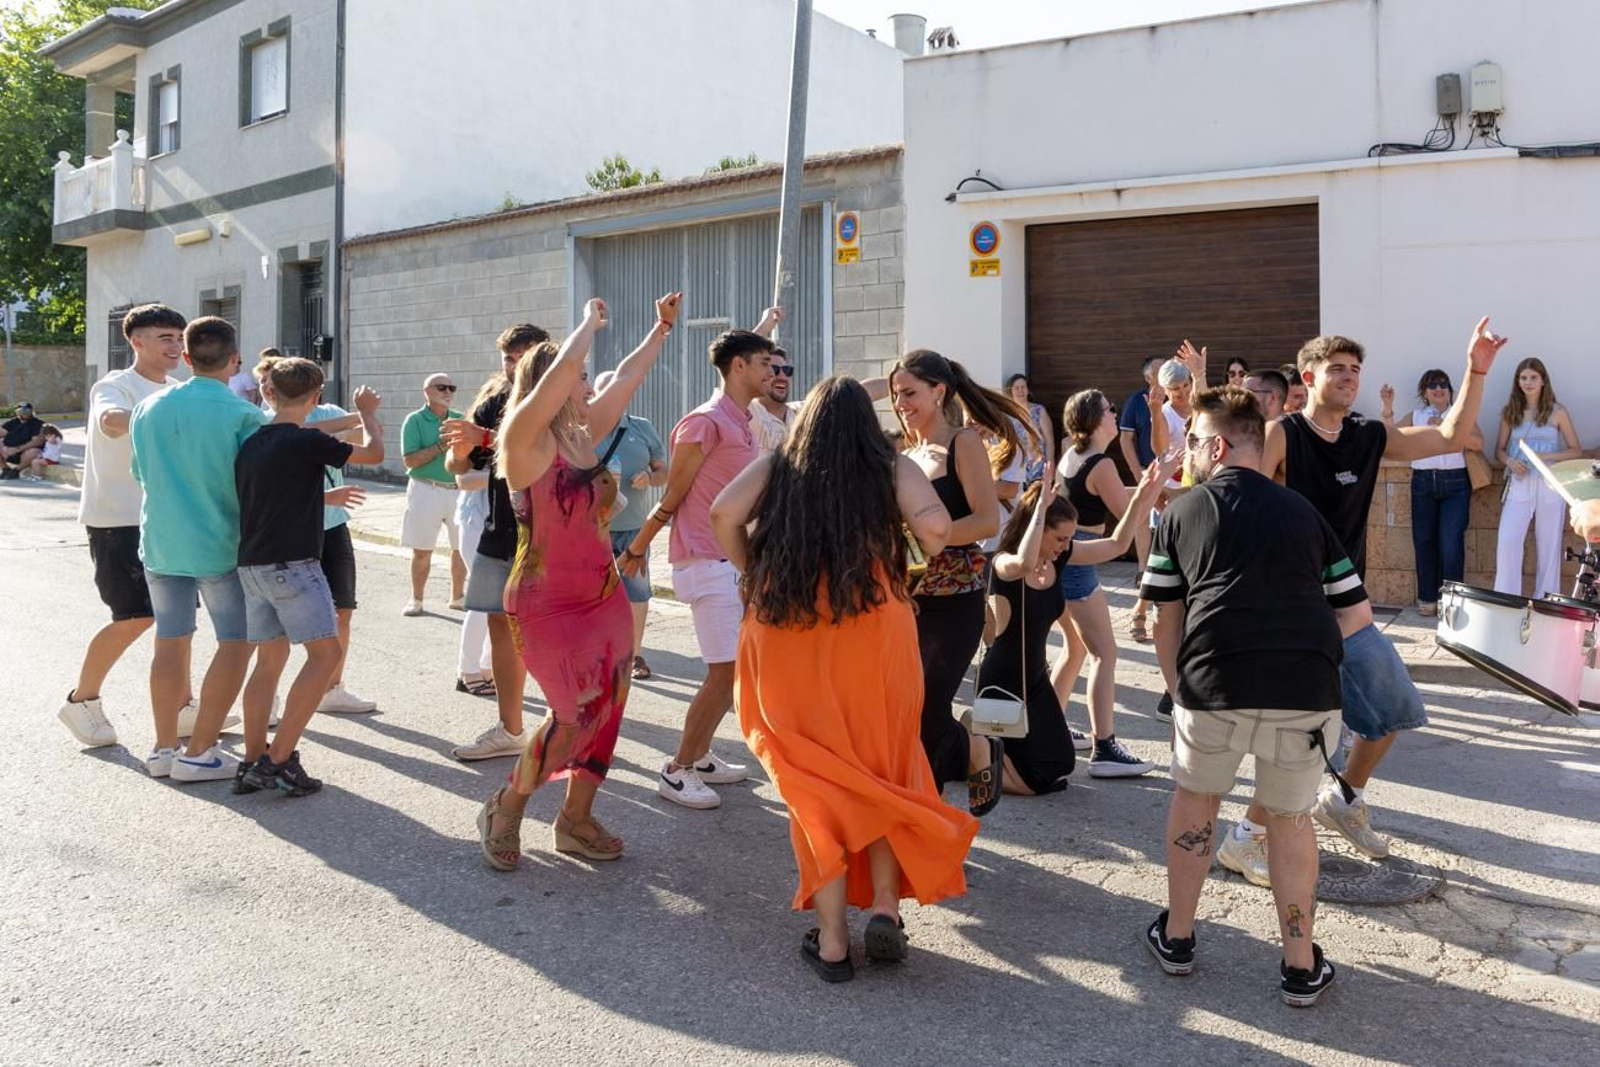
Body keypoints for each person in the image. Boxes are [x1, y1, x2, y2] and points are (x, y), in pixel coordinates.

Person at [708, 375, 978, 983]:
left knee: (811, 779)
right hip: (874, 624)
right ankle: (884, 905)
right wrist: (905, 558)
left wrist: (753, 570)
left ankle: (833, 941)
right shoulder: (891, 466)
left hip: (787, 623)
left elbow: (723, 512)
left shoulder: (783, 465)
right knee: (878, 765)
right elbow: (936, 530)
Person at [1231, 319, 1506, 873]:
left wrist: (1476, 371)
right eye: (1337, 369)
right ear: (1309, 377)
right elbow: (1243, 499)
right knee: (1309, 740)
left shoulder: (1367, 436)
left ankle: (1345, 799)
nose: (1349, 377)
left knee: (1393, 711)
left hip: (1349, 606)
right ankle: (1245, 837)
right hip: (1295, 607)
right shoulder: (1283, 434)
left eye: (1355, 369)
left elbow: (1451, 438)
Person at [1142, 385, 1370, 1008]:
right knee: (1292, 819)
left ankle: (1180, 938)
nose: (1186, 453)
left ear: (1216, 445)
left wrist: (1177, 694)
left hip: (1212, 682)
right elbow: (1357, 614)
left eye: (1191, 441)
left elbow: (1167, 619)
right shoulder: (1303, 512)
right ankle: (1300, 966)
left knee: (1197, 799)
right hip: (1305, 688)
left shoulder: (1182, 513)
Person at [475, 292, 679, 871]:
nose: (588, 383)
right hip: (546, 602)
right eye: (580, 375)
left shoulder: (581, 433)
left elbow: (630, 380)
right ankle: (506, 808)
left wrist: (659, 330)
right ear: (551, 381)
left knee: (607, 707)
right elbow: (559, 373)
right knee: (569, 715)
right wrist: (587, 323)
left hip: (603, 594)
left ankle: (575, 819)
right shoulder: (522, 437)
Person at [619, 328, 773, 811]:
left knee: (734, 673)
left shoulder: (742, 421)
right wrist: (639, 546)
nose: (774, 371)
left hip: (732, 560)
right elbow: (674, 495)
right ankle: (677, 768)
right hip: (704, 561)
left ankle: (701, 755)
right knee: (724, 674)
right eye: (765, 362)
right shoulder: (703, 423)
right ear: (738, 367)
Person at [890, 348, 1035, 816]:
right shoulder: (905, 452)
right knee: (909, 710)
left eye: (909, 392)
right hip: (909, 598)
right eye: (895, 394)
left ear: (939, 390)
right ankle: (972, 749)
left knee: (927, 712)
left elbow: (987, 521)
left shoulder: (963, 443)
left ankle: (926, 822)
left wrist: (932, 534)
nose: (900, 403)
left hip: (957, 598)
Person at [129, 316, 271, 783]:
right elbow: (257, 487)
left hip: (163, 542)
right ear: (235, 360)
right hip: (222, 544)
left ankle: (163, 748)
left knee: (170, 641)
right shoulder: (245, 415)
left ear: (186, 358)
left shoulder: (147, 407)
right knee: (236, 641)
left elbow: (140, 473)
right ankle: (200, 750)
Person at [233, 359, 384, 795]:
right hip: (293, 565)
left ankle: (250, 759)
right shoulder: (305, 440)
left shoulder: (253, 442)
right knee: (325, 656)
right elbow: (373, 454)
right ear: (316, 397)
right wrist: (369, 414)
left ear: (269, 393)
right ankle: (278, 758)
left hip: (253, 565)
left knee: (267, 664)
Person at [58, 304, 199, 749]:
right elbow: (109, 421)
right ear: (136, 341)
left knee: (178, 621)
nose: (176, 346)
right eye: (165, 338)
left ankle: (182, 708)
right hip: (117, 520)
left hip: (168, 520)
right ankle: (82, 701)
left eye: (180, 338)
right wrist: (154, 418)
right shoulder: (115, 385)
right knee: (134, 616)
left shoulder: (180, 389)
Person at [982, 461, 1166, 795]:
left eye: (1069, 539)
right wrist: (1039, 507)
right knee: (1036, 781)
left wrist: (1144, 495)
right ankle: (976, 753)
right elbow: (1024, 562)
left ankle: (991, 754)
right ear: (1037, 528)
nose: (1065, 546)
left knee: (1062, 764)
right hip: (1005, 682)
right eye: (1060, 538)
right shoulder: (1004, 562)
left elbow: (1116, 545)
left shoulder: (1058, 559)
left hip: (1036, 680)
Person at [442, 323, 549, 761]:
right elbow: (457, 464)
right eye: (507, 358)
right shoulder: (493, 402)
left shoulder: (559, 400)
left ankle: (575, 726)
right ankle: (511, 728)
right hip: (498, 531)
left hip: (550, 537)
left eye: (521, 357)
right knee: (498, 624)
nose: (512, 366)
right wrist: (462, 448)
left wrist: (483, 439)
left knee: (553, 631)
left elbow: (548, 453)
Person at [1050, 389, 1156, 776]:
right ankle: (1105, 748)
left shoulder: (1072, 455)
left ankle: (1054, 724)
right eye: (1110, 410)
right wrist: (1155, 490)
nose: (1115, 414)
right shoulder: (1101, 463)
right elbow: (1125, 512)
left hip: (1066, 557)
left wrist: (1152, 491)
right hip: (1082, 560)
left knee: (1074, 648)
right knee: (1104, 654)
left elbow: (1117, 497)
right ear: (1096, 420)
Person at [593, 370, 668, 679]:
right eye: (604, 390)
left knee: (636, 592)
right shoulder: (582, 431)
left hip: (635, 528)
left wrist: (651, 478)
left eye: (618, 389)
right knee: (594, 593)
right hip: (591, 530)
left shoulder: (642, 428)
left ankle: (635, 654)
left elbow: (665, 472)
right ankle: (600, 653)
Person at [1392, 370, 1484, 615]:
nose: (1438, 388)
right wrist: (1387, 406)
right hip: (1423, 481)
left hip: (1455, 483)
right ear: (1424, 392)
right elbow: (1391, 436)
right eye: (1432, 384)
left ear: (1450, 390)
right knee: (1423, 540)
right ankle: (1428, 598)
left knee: (1451, 542)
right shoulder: (1416, 416)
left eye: (1443, 384)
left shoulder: (1460, 415)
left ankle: (1452, 599)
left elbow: (1478, 443)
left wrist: (1448, 427)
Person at [1494, 357, 1583, 599]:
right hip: (1519, 482)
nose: (1528, 382)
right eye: (1523, 378)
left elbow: (1576, 450)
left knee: (1549, 545)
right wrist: (1510, 461)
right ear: (1517, 382)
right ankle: (1506, 598)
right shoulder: (1510, 412)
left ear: (1543, 380)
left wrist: (1546, 456)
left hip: (1550, 483)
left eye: (1533, 377)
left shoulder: (1557, 412)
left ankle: (1545, 599)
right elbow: (1498, 450)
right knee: (1508, 542)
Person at [399, 373, 466, 615]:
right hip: (425, 489)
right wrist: (441, 446)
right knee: (422, 549)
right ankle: (416, 599)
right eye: (441, 387)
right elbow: (410, 460)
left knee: (461, 548)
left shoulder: (460, 419)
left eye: (451, 387)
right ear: (427, 391)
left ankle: (458, 597)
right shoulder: (414, 420)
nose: (448, 392)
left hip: (458, 490)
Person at [1120, 356, 1166, 639]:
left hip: (1176, 477)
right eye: (1160, 370)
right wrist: (1138, 472)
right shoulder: (1136, 401)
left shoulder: (1181, 397)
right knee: (1143, 521)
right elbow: (1126, 439)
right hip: (1150, 472)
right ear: (1149, 377)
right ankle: (1142, 569)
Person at [1007, 373, 1056, 485]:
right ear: (1011, 391)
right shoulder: (1007, 414)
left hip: (1037, 467)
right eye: (1017, 388)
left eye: (1023, 387)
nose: (1020, 391)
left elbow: (1049, 440)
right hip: (1016, 468)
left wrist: (1050, 463)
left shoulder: (1039, 410)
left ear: (1028, 390)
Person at [1, 401, 44, 478]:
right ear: (16, 412)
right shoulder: (13, 422)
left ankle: (16, 471)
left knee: (34, 452)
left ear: (31, 411)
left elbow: (37, 441)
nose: (24, 413)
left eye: (27, 410)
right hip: (10, 452)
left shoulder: (38, 423)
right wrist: (6, 447)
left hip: (26, 454)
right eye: (20, 411)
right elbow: (2, 432)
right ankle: (5, 469)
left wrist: (17, 449)